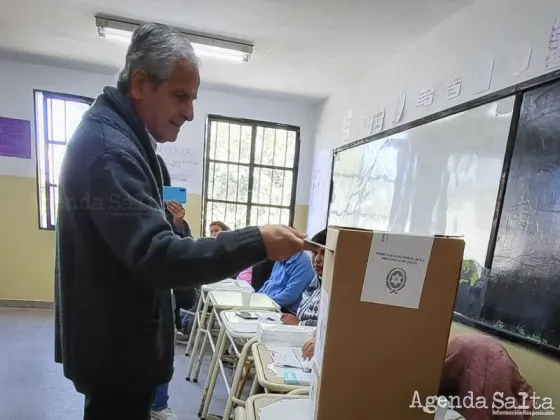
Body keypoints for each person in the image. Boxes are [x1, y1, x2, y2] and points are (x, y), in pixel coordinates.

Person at [54, 22, 307, 420]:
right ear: (140, 84)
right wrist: (256, 241)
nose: (190, 112)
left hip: (121, 347)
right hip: (115, 353)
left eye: (193, 98)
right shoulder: (109, 149)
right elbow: (158, 255)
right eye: (180, 96)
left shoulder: (130, 144)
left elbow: (151, 241)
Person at [281, 229, 326, 327]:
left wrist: (300, 323)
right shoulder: (316, 281)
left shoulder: (337, 291)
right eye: (314, 252)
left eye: (324, 253)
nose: (317, 259)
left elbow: (331, 328)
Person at [259, 250, 314, 314]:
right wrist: (257, 296)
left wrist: (264, 302)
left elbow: (290, 296)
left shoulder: (303, 262)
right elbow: (269, 282)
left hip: (285, 310)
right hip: (271, 304)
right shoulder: (281, 258)